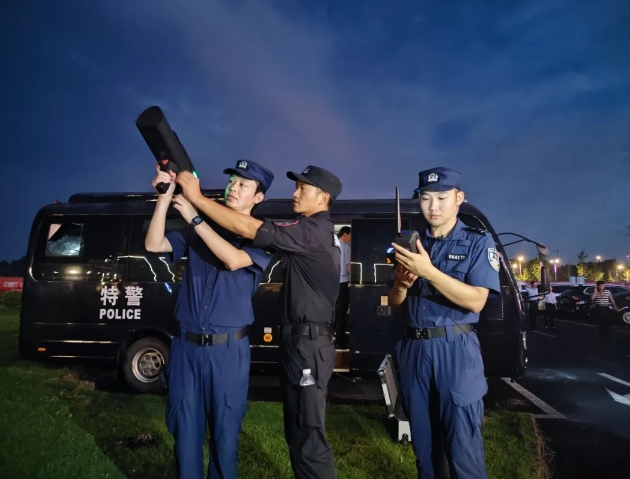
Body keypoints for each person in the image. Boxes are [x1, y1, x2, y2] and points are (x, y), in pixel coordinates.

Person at [176, 165, 343, 479]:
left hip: (308, 346)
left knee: (308, 436)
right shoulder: (311, 231)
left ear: (323, 198)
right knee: (299, 433)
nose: (294, 193)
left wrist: (197, 201)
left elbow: (251, 231)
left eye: (303, 189)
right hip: (301, 343)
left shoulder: (311, 230)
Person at [145, 160, 275, 479]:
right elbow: (154, 244)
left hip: (227, 351)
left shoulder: (263, 236)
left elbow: (233, 260)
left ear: (258, 197)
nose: (233, 188)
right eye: (232, 182)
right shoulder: (200, 228)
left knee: (224, 439)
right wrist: (164, 198)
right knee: (185, 435)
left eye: (243, 185)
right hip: (186, 348)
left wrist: (195, 215)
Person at [389, 167, 501, 479]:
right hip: (414, 350)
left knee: (463, 455)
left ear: (459, 198)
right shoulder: (412, 243)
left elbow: (476, 300)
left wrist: (428, 272)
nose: (433, 206)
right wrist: (401, 284)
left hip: (455, 350)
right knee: (425, 455)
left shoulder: (478, 242)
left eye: (442, 198)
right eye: (426, 198)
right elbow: (395, 304)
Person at [334, 226, 351, 349]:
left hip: (332, 283)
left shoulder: (332, 247)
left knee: (334, 312)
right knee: (342, 313)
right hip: (344, 283)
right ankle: (341, 341)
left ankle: (332, 338)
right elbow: (349, 266)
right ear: (345, 234)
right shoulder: (346, 247)